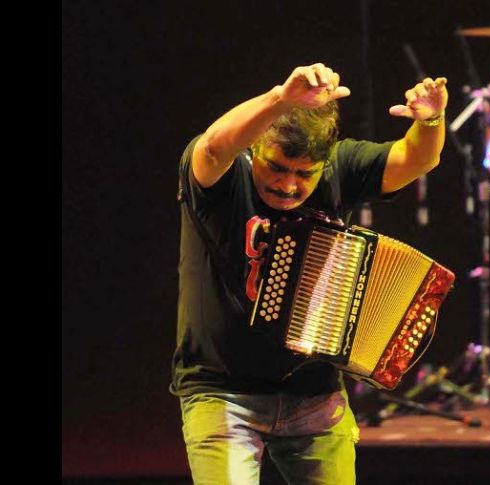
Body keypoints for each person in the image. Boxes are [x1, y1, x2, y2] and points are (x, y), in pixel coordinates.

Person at [171, 62, 448, 484]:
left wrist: (430, 120)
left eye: (304, 174)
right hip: (222, 392)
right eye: (277, 168)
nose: (287, 186)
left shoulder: (341, 167)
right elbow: (212, 148)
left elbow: (417, 157)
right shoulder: (225, 176)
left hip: (314, 396)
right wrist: (280, 99)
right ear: (254, 149)